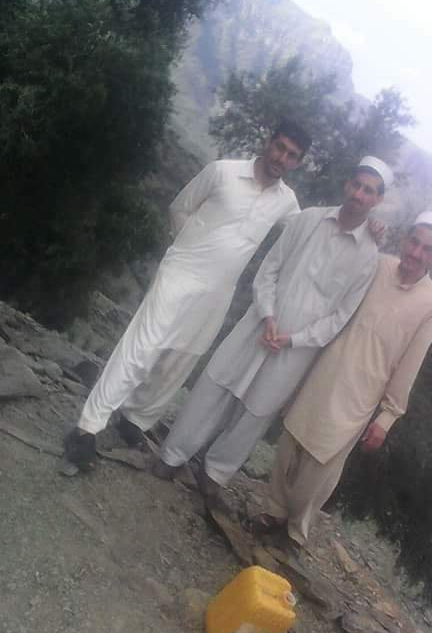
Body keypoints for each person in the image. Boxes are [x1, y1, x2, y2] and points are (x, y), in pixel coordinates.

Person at [64, 119, 312, 471]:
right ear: (268, 142)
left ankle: (134, 418)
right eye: (280, 147)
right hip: (180, 273)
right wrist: (188, 249)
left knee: (180, 358)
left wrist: (368, 227)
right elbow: (179, 207)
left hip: (219, 292)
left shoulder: (286, 202)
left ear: (297, 163)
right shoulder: (223, 172)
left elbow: (310, 232)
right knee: (142, 347)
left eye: (291, 155)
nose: (281, 158)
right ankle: (87, 428)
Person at [152, 157, 394, 509]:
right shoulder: (308, 219)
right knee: (215, 386)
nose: (359, 194)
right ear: (347, 185)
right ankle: (173, 455)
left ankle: (214, 475)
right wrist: (267, 316)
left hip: (296, 350)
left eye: (368, 191)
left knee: (256, 413)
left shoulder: (369, 257)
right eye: (356, 185)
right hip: (259, 323)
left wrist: (295, 339)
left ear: (377, 200)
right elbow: (270, 269)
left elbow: (340, 317)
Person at [253, 211, 432, 549]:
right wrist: (369, 229)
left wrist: (387, 418)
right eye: (414, 242)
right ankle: (274, 512)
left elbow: (411, 364)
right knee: (290, 444)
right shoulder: (379, 264)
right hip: (324, 369)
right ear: (405, 240)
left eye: (426, 249)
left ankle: (296, 532)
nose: (416, 253)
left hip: (362, 392)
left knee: (322, 465)